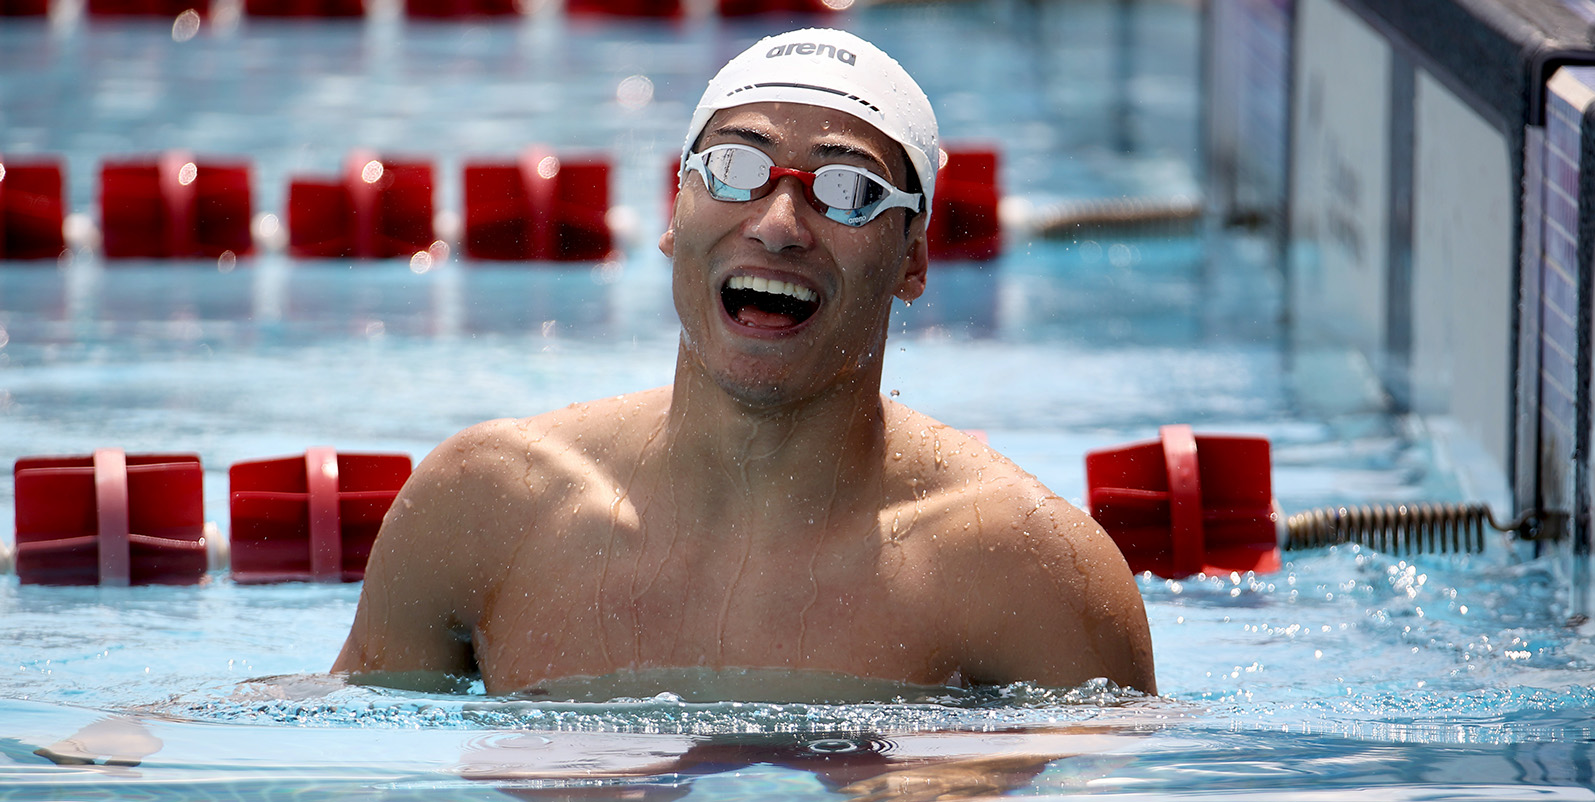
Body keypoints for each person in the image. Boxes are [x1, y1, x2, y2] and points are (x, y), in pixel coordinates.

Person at [332, 28, 1156, 696]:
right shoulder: (486, 507)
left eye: (851, 192)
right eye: (735, 169)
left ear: (913, 260)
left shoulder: (1025, 571)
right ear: (673, 209)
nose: (780, 222)